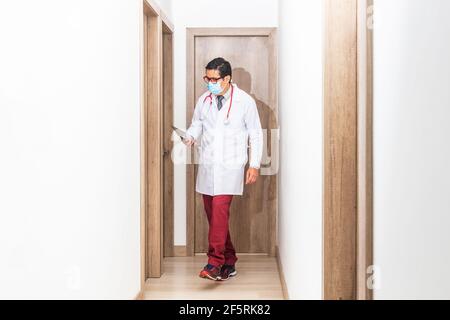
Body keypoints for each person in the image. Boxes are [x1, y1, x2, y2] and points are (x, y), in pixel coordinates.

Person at [184, 57, 263, 281]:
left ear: (227, 78)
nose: (209, 82)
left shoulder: (244, 101)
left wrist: (254, 164)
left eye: (213, 79)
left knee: (219, 212)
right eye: (206, 78)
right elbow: (197, 122)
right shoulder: (204, 99)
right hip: (208, 165)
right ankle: (230, 260)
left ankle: (214, 263)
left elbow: (256, 133)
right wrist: (190, 136)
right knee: (214, 216)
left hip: (230, 165)